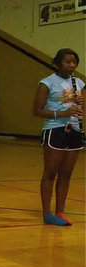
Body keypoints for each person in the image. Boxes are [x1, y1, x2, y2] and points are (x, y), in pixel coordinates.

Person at [32, 48, 84, 226]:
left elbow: (79, 108)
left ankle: (60, 211)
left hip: (74, 129)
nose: (71, 65)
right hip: (55, 130)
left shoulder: (78, 83)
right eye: (67, 62)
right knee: (50, 172)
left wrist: (81, 105)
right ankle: (47, 214)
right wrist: (62, 113)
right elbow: (37, 111)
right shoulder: (47, 83)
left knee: (66, 173)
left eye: (74, 62)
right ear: (57, 63)